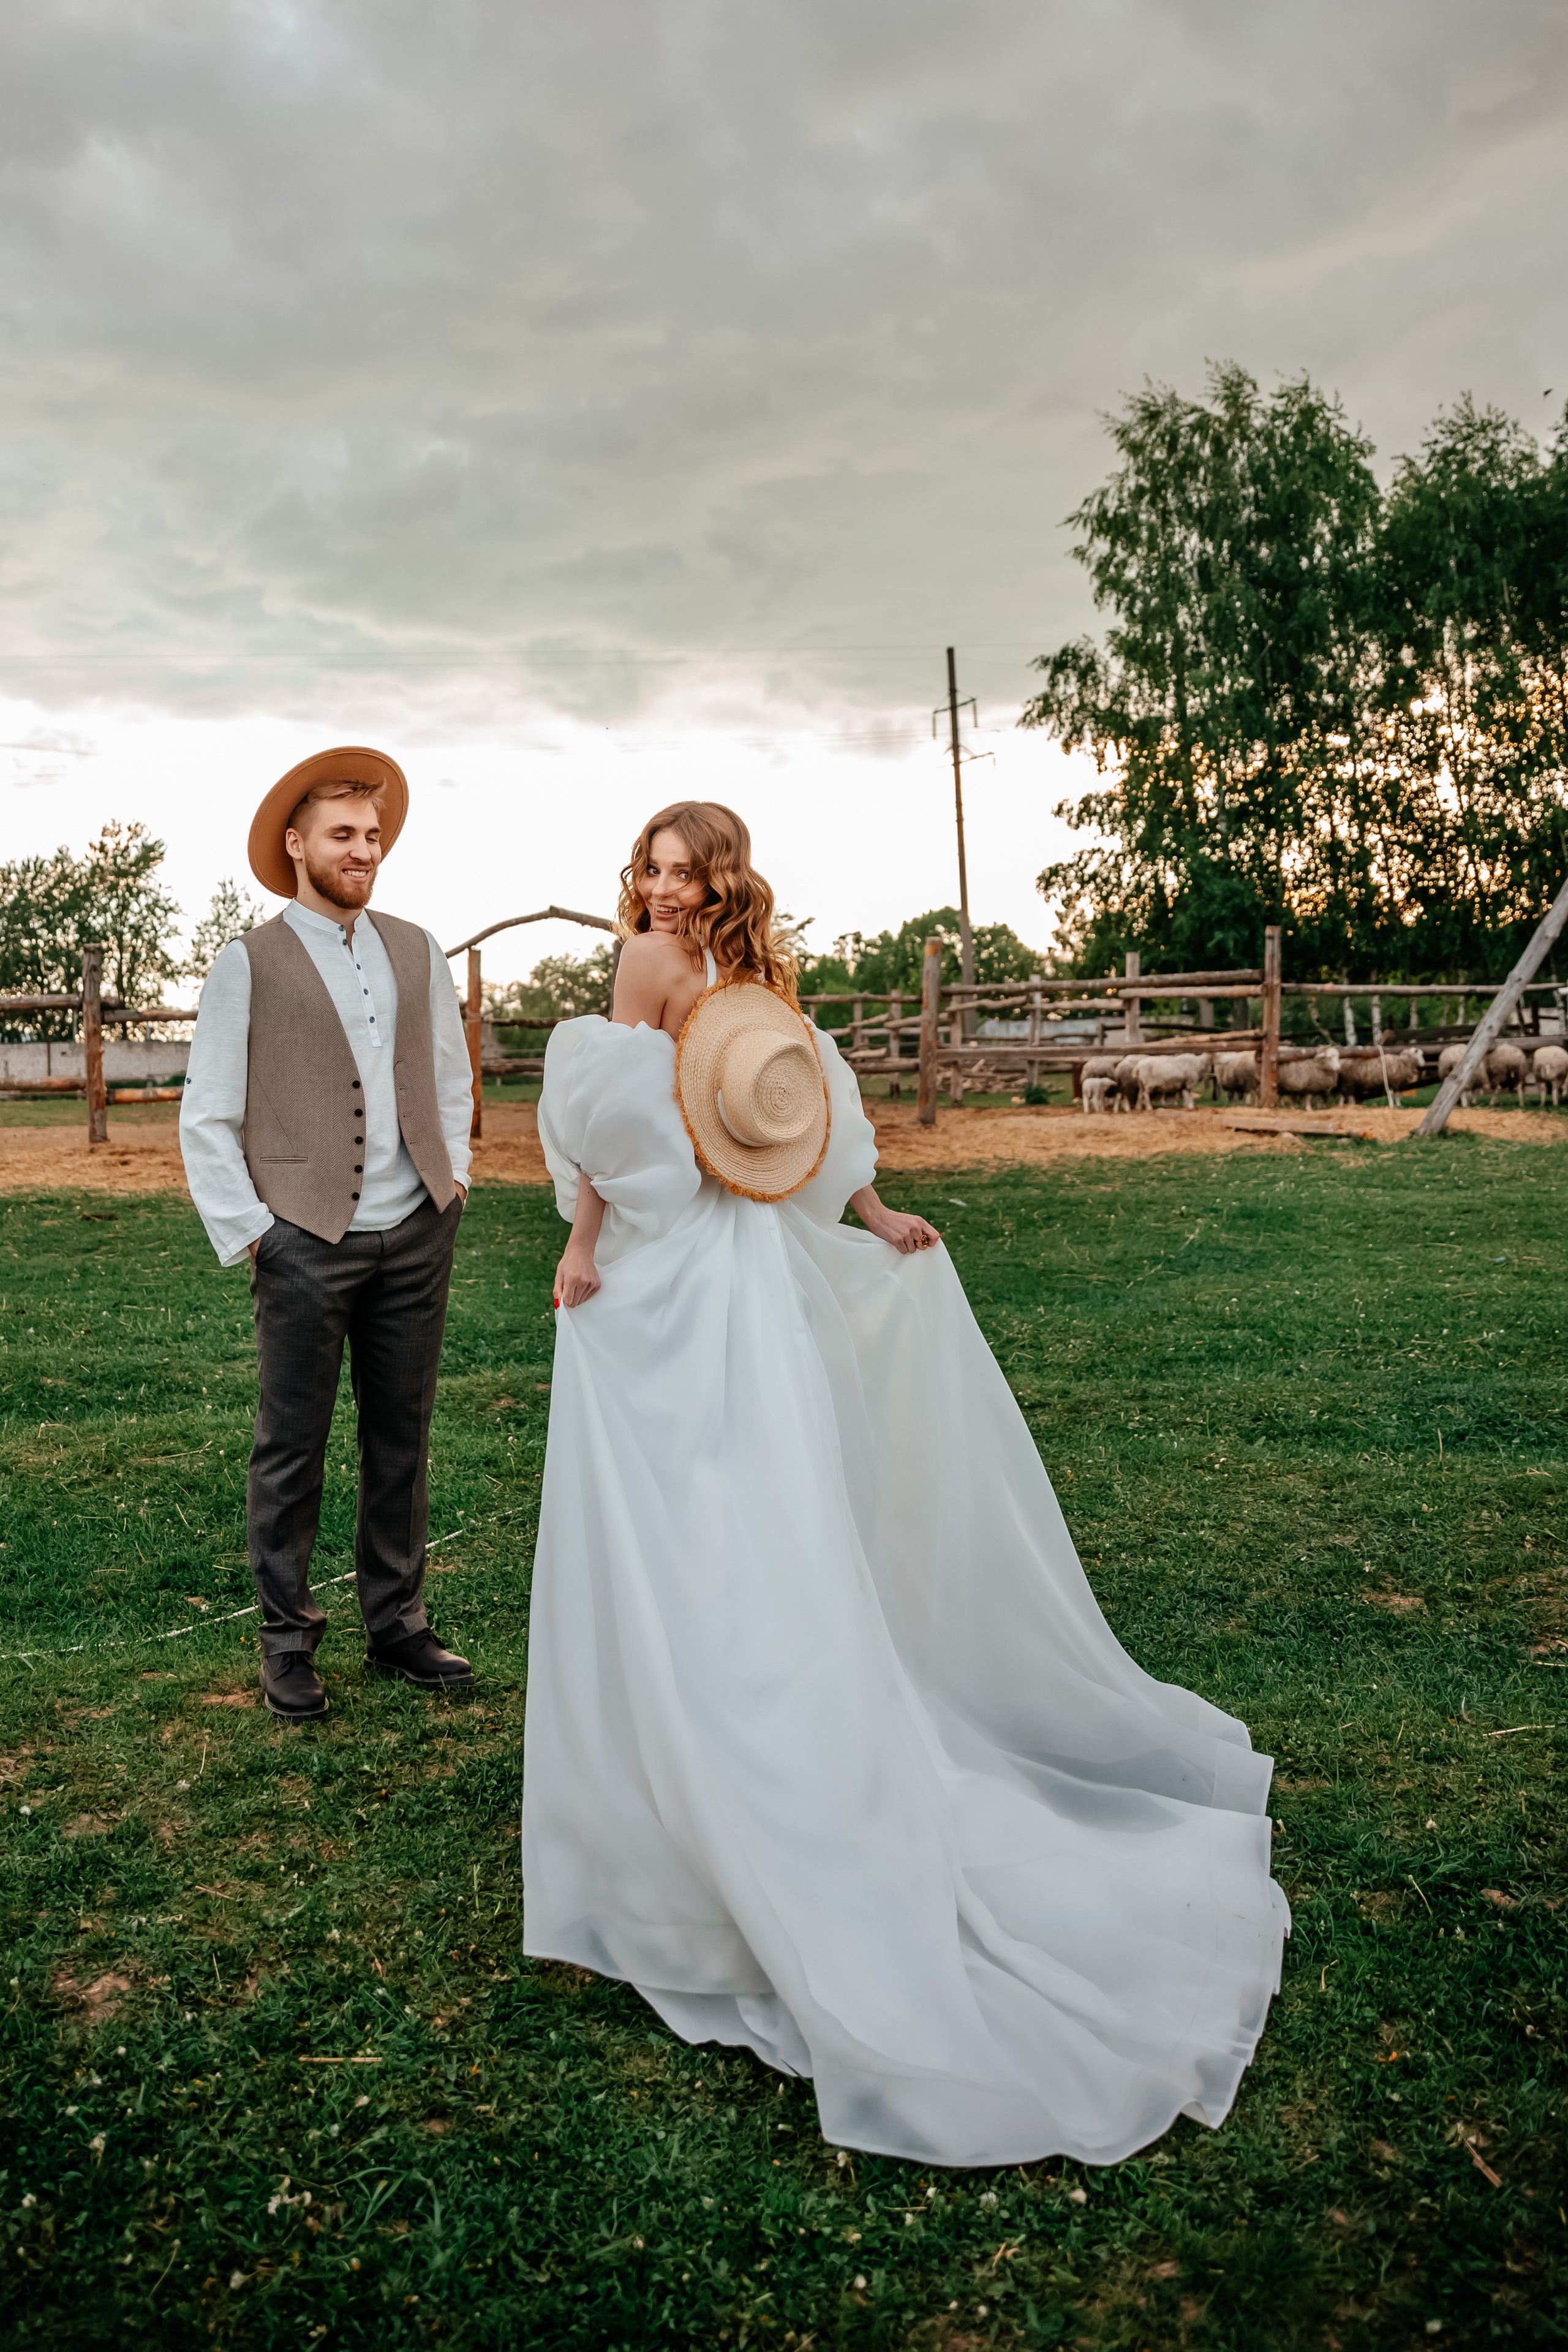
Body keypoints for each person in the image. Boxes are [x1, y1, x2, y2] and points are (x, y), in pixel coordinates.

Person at [522, 800, 1287, 2169]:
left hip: (739, 1269)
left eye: (685, 871)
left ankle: (774, 1766)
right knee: (704, 1524)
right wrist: (582, 1251)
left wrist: (876, 1220)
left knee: (753, 1522)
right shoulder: (646, 969)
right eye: (649, 867)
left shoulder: (746, 986)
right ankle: (692, 1796)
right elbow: (603, 1139)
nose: (661, 889)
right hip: (679, 1277)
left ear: (721, 883)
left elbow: (794, 1120)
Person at [180, 747, 477, 1722]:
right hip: (303, 1240)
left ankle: (397, 1624)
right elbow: (208, 1115)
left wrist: (454, 1181)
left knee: (402, 1437)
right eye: (344, 835)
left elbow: (449, 1077)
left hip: (415, 1230)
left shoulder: (417, 947)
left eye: (374, 835)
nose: (364, 849)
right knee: (292, 1446)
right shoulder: (247, 962)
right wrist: (256, 1234)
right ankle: (286, 1641)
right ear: (298, 845)